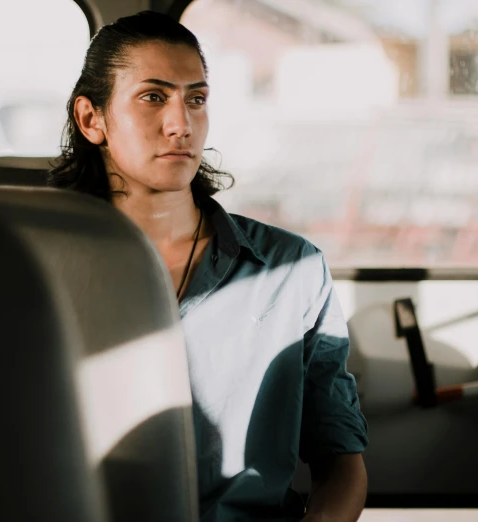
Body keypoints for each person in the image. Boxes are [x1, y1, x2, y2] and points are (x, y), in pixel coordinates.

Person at [48, 10, 368, 522]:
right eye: (153, 97)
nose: (181, 124)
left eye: (195, 99)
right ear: (92, 119)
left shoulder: (291, 270)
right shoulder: (39, 267)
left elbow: (341, 465)